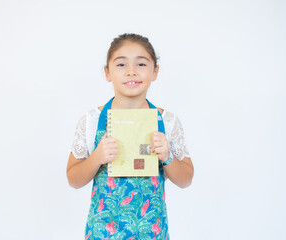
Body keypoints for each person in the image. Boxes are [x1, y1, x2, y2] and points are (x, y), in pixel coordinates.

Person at [66, 33, 194, 240]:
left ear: (155, 72)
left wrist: (167, 157)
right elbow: (73, 179)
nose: (132, 72)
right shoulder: (91, 121)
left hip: (152, 233)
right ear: (107, 73)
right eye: (121, 65)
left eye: (141, 64)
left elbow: (186, 180)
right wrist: (96, 158)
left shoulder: (167, 122)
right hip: (102, 233)